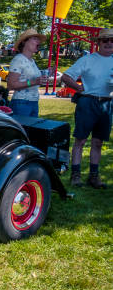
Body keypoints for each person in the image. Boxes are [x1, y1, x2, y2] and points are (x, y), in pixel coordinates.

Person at [61, 28, 113, 188]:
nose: (109, 43)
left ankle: (94, 177)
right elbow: (66, 76)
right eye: (105, 40)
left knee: (98, 142)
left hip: (107, 104)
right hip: (88, 102)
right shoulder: (88, 59)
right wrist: (78, 89)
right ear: (98, 43)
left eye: (112, 41)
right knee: (81, 140)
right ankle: (75, 175)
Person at [7, 28, 49, 117]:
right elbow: (11, 85)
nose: (38, 42)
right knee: (23, 130)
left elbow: (31, 78)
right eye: (35, 39)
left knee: (31, 131)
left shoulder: (31, 61)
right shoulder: (18, 59)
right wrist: (34, 82)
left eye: (38, 40)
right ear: (24, 42)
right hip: (21, 103)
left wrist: (49, 73)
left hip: (34, 102)